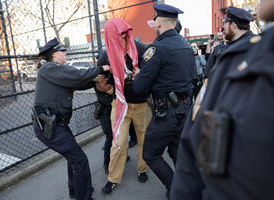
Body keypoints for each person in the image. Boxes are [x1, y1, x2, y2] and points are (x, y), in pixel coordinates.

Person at [170, 6, 257, 200]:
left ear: (233, 25)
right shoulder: (231, 49)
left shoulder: (252, 51)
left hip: (226, 142)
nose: (222, 27)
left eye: (225, 23)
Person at [32, 38, 109, 200]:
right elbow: (75, 75)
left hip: (56, 124)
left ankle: (76, 190)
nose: (65, 54)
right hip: (51, 126)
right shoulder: (49, 69)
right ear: (54, 55)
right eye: (62, 51)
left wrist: (94, 79)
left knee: (73, 158)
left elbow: (77, 82)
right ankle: (84, 196)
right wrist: (100, 68)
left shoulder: (56, 71)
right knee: (80, 160)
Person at [133, 4, 194, 198]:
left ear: (158, 22)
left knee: (150, 154)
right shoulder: (185, 45)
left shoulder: (157, 48)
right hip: (184, 109)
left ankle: (176, 189)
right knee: (177, 152)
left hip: (166, 113)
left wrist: (139, 75)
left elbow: (139, 88)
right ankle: (187, 189)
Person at [100, 18, 152, 194]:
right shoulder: (106, 53)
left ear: (124, 34)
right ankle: (113, 178)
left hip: (141, 104)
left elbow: (152, 70)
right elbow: (99, 78)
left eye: (117, 35)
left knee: (144, 139)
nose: (115, 39)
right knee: (118, 142)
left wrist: (142, 74)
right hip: (120, 104)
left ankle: (142, 169)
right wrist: (110, 90)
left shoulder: (140, 48)